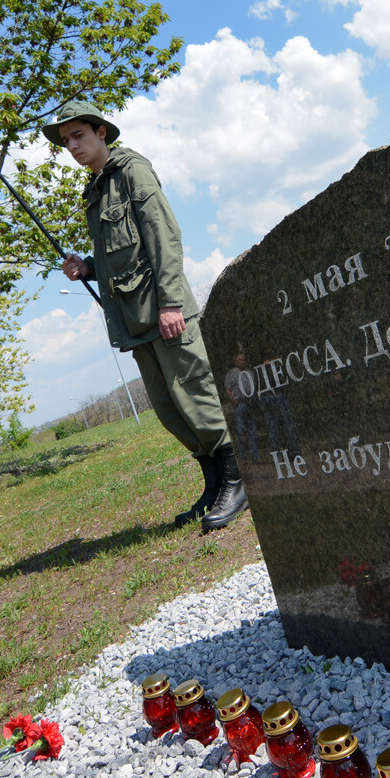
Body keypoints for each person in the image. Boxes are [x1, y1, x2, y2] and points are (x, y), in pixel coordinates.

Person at [48, 100, 246, 530]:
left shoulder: (132, 171)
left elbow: (163, 237)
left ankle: (237, 476)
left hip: (163, 313)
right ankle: (213, 483)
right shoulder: (96, 189)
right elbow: (122, 254)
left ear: (102, 132)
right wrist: (88, 267)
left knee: (196, 394)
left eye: (78, 135)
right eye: (66, 141)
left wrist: (172, 303)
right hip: (134, 322)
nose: (72, 146)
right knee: (169, 408)